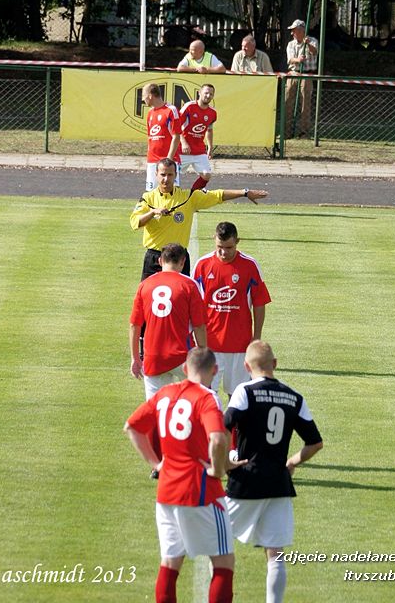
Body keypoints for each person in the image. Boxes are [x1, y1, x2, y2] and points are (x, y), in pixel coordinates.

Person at [124, 347, 236, 603]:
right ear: (215, 370)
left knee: (170, 563)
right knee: (223, 560)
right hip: (200, 490)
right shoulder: (207, 398)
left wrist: (156, 464)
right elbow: (218, 438)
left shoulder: (164, 394)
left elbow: (131, 427)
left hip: (166, 490)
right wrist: (217, 470)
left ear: (185, 369)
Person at [224, 341, 323, 603]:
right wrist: (291, 464)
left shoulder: (244, 391)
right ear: (275, 364)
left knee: (217, 542)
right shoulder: (294, 396)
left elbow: (224, 425)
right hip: (278, 482)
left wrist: (225, 461)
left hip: (245, 480)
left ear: (246, 366)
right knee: (275, 553)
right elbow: (315, 443)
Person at [131, 158, 268, 279]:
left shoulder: (188, 197)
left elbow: (218, 195)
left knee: (181, 299)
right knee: (148, 299)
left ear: (175, 176)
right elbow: (135, 223)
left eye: (170, 175)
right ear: (156, 175)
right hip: (155, 257)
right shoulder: (147, 199)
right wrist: (152, 212)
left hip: (179, 258)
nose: (166, 179)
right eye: (162, 175)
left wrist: (244, 193)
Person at [193, 222, 271, 396]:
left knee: (238, 396)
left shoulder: (250, 266)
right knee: (205, 395)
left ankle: (234, 425)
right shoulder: (202, 265)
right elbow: (193, 305)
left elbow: (259, 304)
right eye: (220, 247)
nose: (223, 252)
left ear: (237, 241)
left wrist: (256, 338)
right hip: (209, 345)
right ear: (214, 240)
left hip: (240, 345)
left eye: (229, 247)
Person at [129, 243, 207, 399]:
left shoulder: (145, 285)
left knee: (156, 410)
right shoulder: (189, 285)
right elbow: (199, 325)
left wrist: (135, 358)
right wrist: (204, 354)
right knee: (193, 404)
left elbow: (134, 324)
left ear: (159, 261)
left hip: (154, 355)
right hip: (183, 355)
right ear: (183, 262)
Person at [143, 83, 181, 191]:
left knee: (172, 193)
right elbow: (150, 137)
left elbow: (176, 136)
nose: (143, 99)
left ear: (150, 95)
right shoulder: (150, 113)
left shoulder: (171, 110)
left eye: (144, 95)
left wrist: (168, 160)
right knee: (151, 193)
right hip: (153, 161)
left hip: (169, 160)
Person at [179, 83, 217, 191]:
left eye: (211, 94)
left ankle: (192, 196)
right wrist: (184, 143)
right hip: (183, 150)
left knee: (206, 175)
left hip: (199, 149)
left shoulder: (212, 113)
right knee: (173, 176)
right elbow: (176, 126)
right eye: (206, 93)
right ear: (199, 93)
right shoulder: (189, 107)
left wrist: (209, 147)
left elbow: (209, 130)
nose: (208, 96)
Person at [284, 19, 318, 138]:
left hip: (307, 75)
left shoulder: (313, 41)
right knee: (287, 102)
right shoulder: (291, 44)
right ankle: (287, 132)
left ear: (301, 30)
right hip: (293, 73)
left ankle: (304, 132)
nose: (292, 33)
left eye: (294, 30)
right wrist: (298, 60)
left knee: (305, 103)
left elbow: (315, 52)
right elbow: (290, 59)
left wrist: (307, 44)